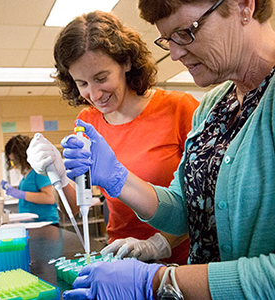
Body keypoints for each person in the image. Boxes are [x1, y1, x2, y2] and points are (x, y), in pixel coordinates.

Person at [59, 0, 275, 299]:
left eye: (185, 32)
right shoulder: (213, 105)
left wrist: (157, 281)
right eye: (168, 39)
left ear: (243, 6)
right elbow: (187, 212)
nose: (176, 52)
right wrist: (119, 178)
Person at [27, 10, 199, 264]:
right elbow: (78, 210)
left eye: (101, 78)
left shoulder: (180, 109)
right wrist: (58, 175)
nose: (94, 94)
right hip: (117, 260)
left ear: (126, 62)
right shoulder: (88, 122)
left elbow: (204, 201)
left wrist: (158, 244)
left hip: (178, 263)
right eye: (82, 83)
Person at [1, 135, 59, 225]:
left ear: (22, 154)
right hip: (33, 223)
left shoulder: (39, 170)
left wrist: (20, 194)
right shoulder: (27, 173)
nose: (13, 162)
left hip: (45, 223)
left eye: (14, 159)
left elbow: (50, 198)